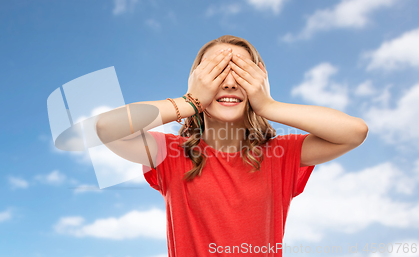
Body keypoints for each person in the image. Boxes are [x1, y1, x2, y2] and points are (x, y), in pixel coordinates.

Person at [95, 35, 368, 256]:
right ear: (196, 82)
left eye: (241, 72)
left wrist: (268, 105)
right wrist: (190, 101)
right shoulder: (171, 153)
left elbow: (354, 132)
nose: (228, 82)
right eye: (215, 73)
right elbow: (107, 128)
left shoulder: (280, 155)